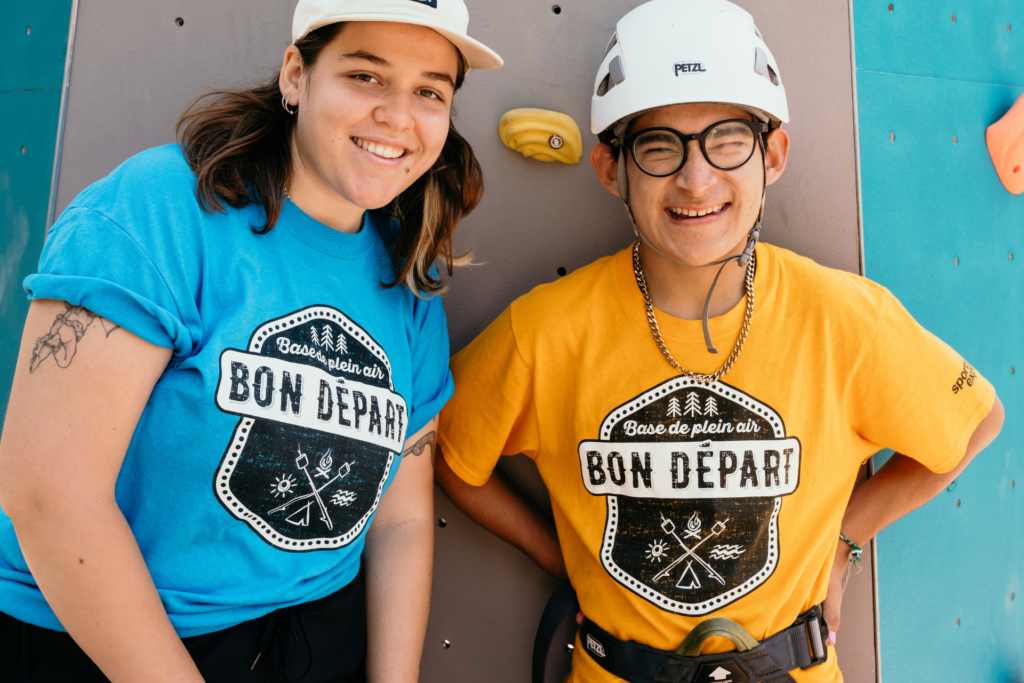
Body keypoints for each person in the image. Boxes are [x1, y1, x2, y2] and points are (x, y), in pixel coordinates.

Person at [433, 1, 1003, 681]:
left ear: (774, 153)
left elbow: (974, 421)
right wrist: (564, 559)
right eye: (658, 145)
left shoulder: (842, 319)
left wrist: (846, 541)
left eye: (727, 139)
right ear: (611, 168)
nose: (696, 178)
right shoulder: (549, 332)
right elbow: (449, 451)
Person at [0, 1, 501, 681]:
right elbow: (48, 494)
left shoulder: (408, 270)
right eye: (366, 76)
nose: (397, 116)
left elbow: (401, 519)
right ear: (296, 75)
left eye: (429, 92)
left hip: (318, 637)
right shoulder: (161, 210)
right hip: (112, 639)